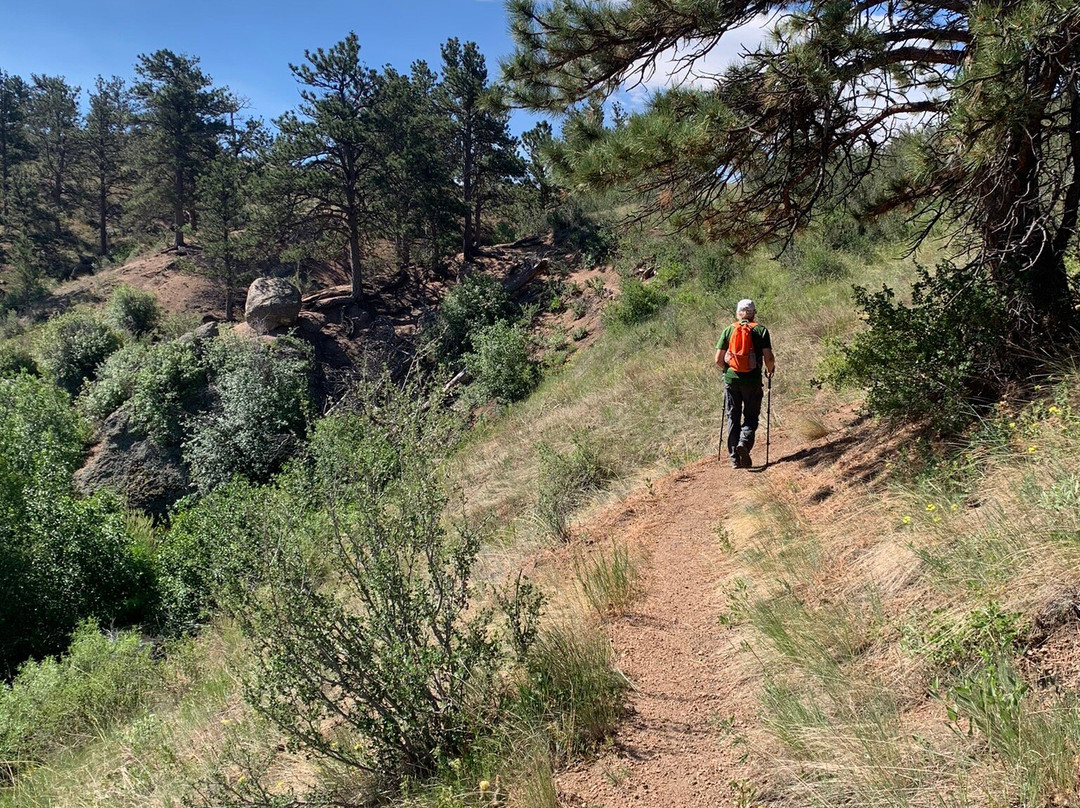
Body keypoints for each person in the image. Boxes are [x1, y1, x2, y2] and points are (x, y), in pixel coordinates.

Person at [715, 299, 775, 469]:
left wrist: (728, 370)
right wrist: (770, 370)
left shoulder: (729, 330)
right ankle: (744, 443)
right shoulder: (760, 330)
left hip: (731, 381)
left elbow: (718, 360)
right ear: (753, 313)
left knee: (732, 417)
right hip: (752, 381)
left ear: (737, 313)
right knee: (750, 416)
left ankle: (734, 458)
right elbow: (768, 358)